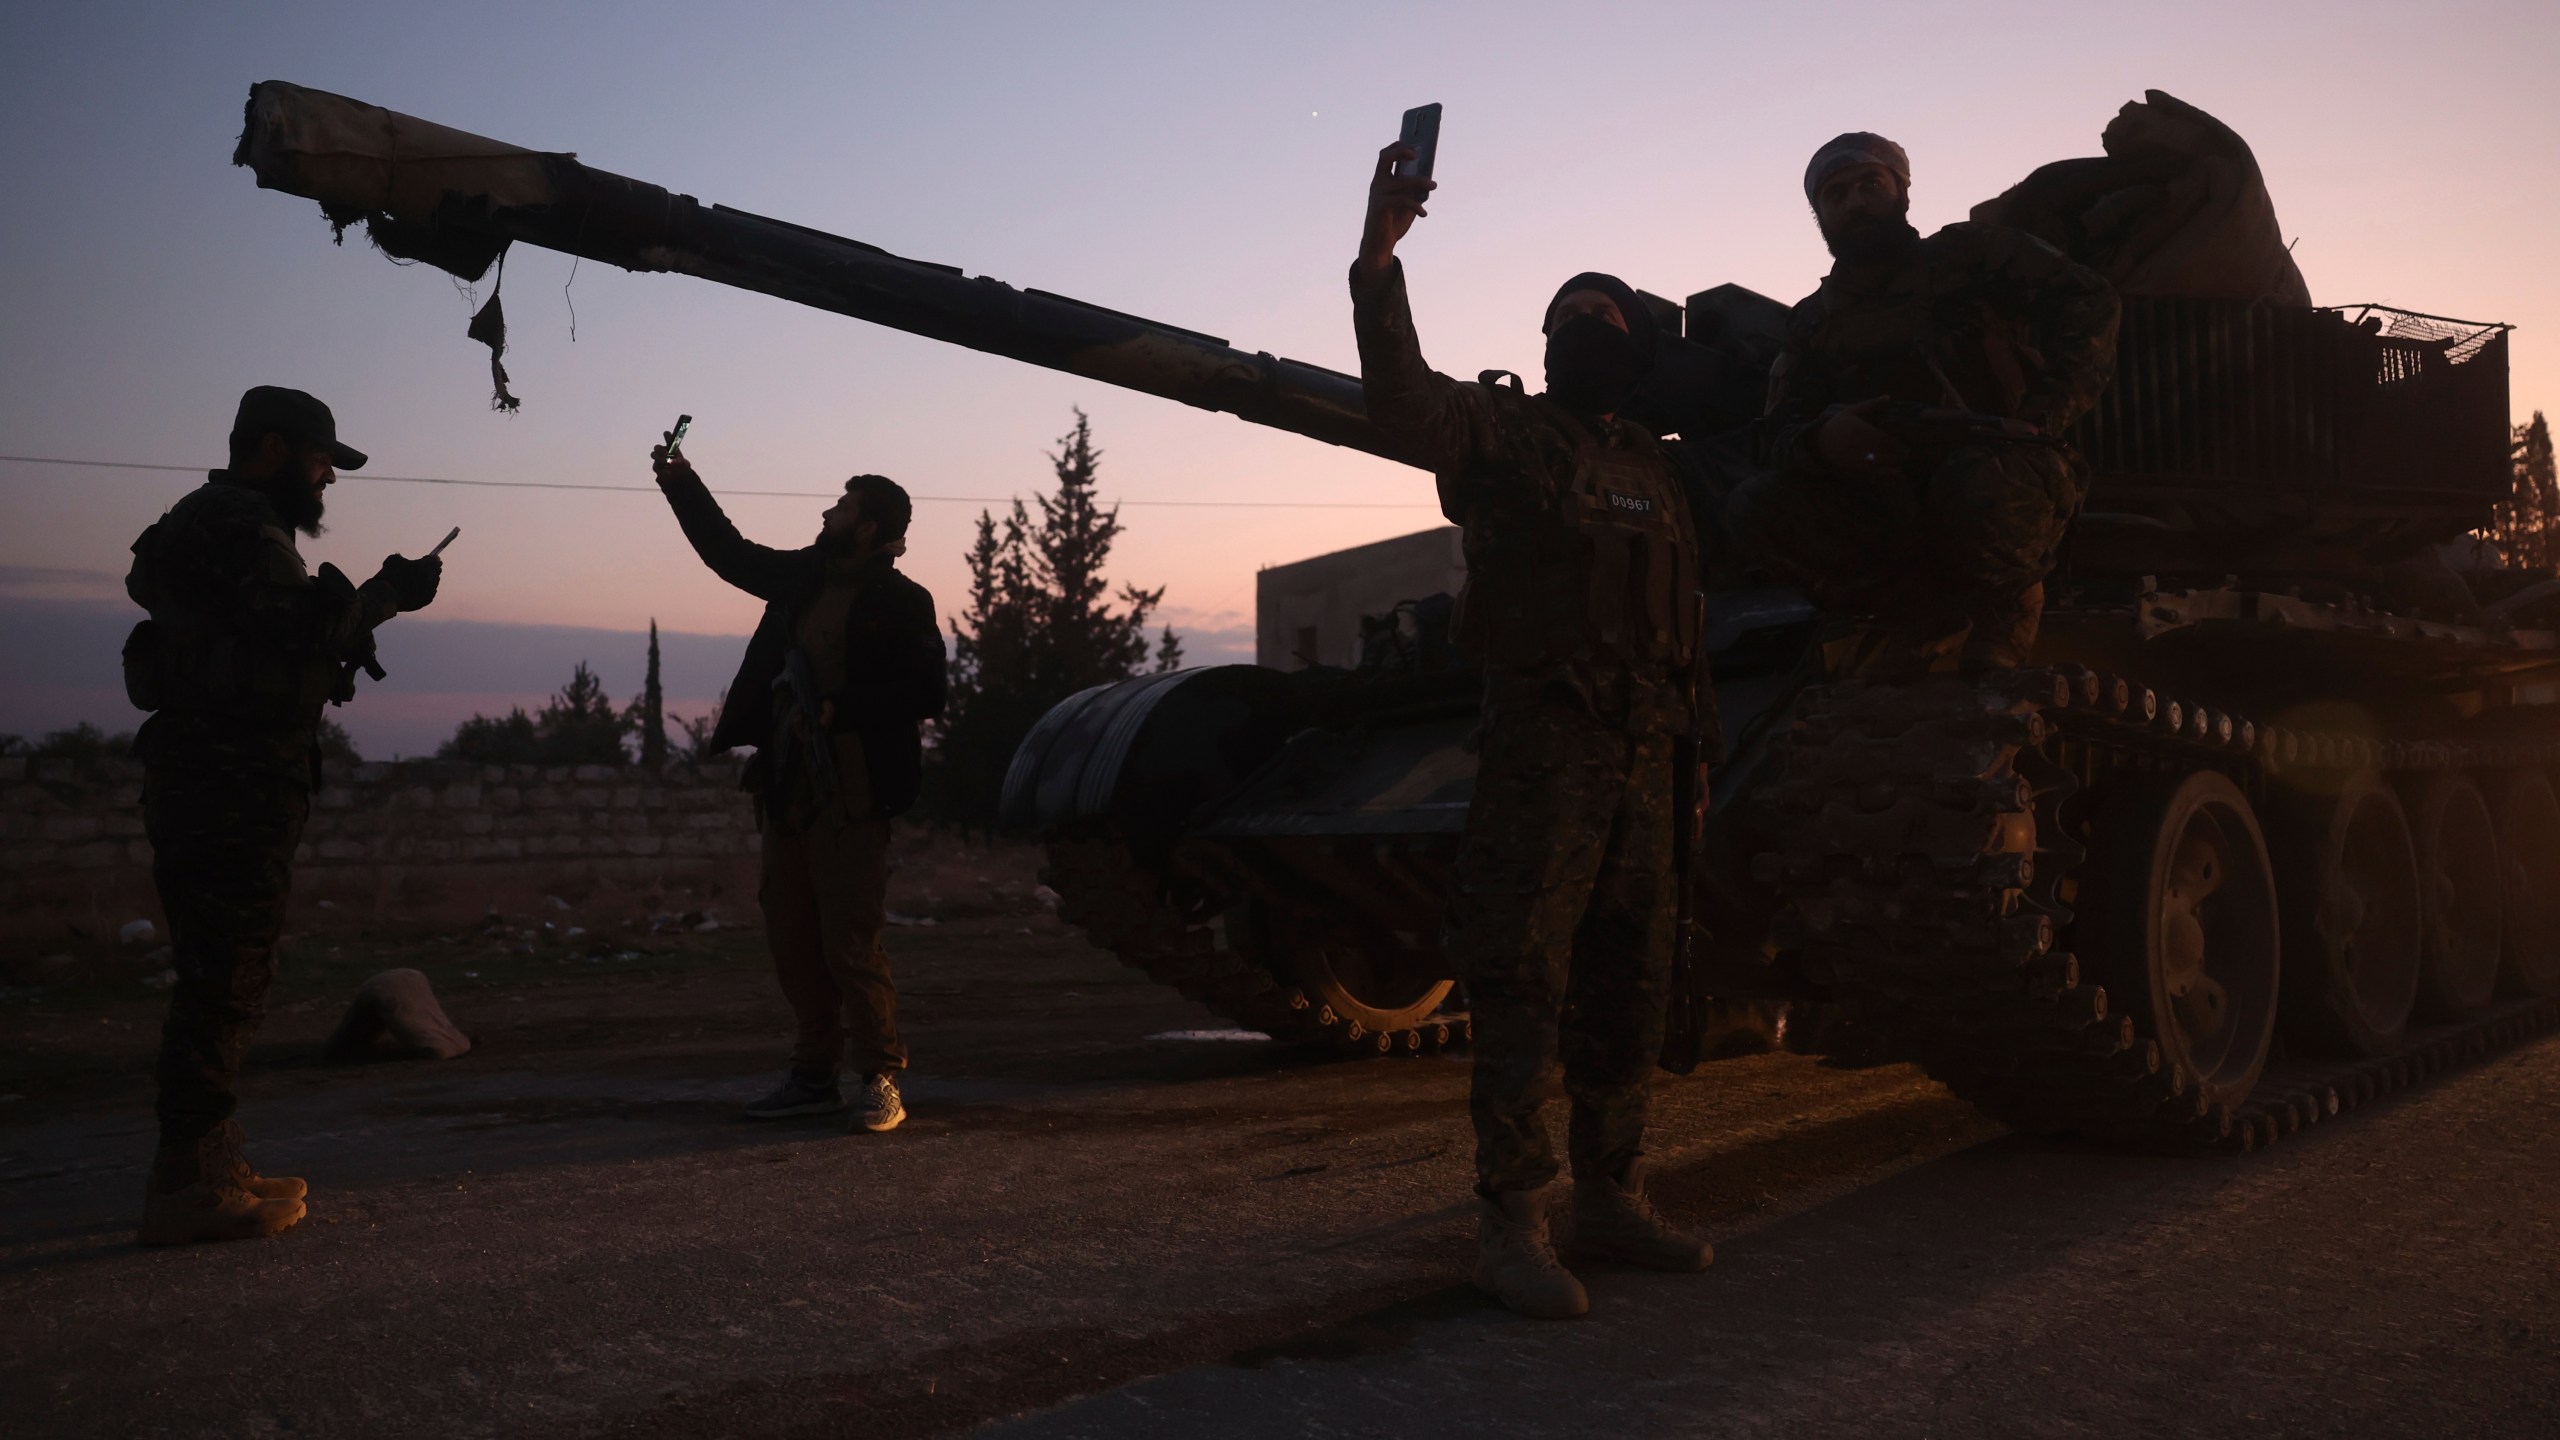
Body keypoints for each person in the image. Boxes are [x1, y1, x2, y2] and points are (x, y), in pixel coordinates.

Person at [1351, 139, 1715, 1319]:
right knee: (1521, 979)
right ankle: (1512, 1220)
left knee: (1630, 978)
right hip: (1547, 745)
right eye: (1562, 316)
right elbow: (1400, 399)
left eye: (1600, 313)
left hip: (1650, 754)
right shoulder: (1509, 439)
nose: (1579, 326)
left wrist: (1692, 755)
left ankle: (1611, 1192)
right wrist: (1377, 257)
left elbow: (1684, 625)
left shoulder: (1660, 478)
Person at [125, 386, 442, 1245]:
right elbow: (296, 632)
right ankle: (188, 1180)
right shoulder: (237, 523)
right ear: (271, 449)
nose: (326, 480)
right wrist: (386, 594)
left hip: (213, 773)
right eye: (318, 461)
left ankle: (212, 1160)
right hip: (229, 779)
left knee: (225, 967)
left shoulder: (207, 520)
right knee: (225, 974)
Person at [1732, 132, 2120, 675]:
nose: (1855, 203)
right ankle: (1919, 615)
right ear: (1820, 215)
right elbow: (1775, 435)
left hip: (2005, 470)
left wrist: (2043, 415)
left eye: (1871, 184)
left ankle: (2011, 599)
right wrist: (1825, 441)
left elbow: (2089, 299)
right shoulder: (1815, 320)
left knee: (1980, 485)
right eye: (1835, 195)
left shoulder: (1970, 257)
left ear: (1903, 193)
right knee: (1757, 505)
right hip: (1884, 494)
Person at [648, 437, 945, 1135]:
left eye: (843, 505)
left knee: (850, 939)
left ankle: (879, 1077)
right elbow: (729, 553)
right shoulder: (804, 576)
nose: (829, 511)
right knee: (793, 936)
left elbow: (928, 689)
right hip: (788, 786)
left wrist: (848, 706)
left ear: (868, 526)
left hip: (856, 790)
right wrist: (681, 482)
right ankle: (813, 1075)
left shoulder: (902, 600)